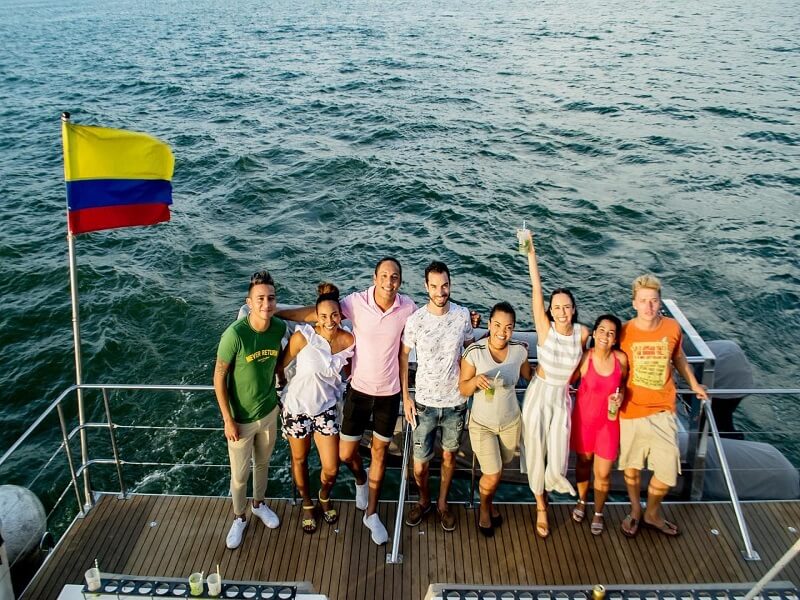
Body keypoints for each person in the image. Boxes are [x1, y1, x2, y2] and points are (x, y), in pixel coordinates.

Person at [278, 258, 416, 545]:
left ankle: (371, 514)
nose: (389, 282)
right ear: (374, 278)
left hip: (389, 393)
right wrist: (274, 312)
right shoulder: (356, 302)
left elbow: (427, 324)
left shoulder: (408, 307)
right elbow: (316, 313)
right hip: (358, 392)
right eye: (384, 276)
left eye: (394, 277)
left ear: (400, 281)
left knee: (379, 453)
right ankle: (360, 479)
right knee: (345, 455)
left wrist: (469, 322)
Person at [618, 274, 708, 538]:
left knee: (668, 472)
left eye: (654, 301)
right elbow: (617, 368)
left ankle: (653, 511)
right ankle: (636, 510)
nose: (649, 306)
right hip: (631, 409)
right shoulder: (624, 331)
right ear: (634, 303)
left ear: (660, 302)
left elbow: (678, 358)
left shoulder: (672, 328)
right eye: (643, 300)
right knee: (631, 467)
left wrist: (694, 384)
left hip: (663, 410)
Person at [519, 230, 589, 538]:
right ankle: (541, 508)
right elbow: (536, 287)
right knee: (536, 450)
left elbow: (589, 360)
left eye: (566, 306)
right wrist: (530, 249)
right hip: (539, 395)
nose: (561, 311)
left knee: (559, 452)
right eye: (556, 307)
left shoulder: (583, 333)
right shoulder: (545, 329)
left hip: (562, 397)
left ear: (573, 309)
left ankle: (553, 482)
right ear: (550, 310)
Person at [214, 270, 287, 550]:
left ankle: (258, 505)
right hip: (240, 420)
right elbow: (218, 377)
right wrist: (227, 419)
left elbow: (278, 359)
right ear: (249, 302)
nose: (266, 304)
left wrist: (280, 376)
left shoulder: (278, 327)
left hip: (268, 412)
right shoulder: (235, 334)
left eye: (271, 298)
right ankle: (239, 517)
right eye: (260, 298)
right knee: (239, 475)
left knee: (263, 465)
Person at [400, 261, 475, 532]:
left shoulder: (463, 315)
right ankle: (424, 501)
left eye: (444, 285)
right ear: (426, 287)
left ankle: (442, 504)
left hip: (456, 403)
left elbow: (470, 350)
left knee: (449, 459)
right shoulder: (416, 320)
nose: (440, 291)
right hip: (423, 405)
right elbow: (404, 356)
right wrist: (406, 397)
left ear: (450, 284)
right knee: (419, 466)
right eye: (434, 286)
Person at [277, 283, 355, 534]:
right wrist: (280, 388)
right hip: (297, 408)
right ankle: (308, 504)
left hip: (326, 409)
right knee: (299, 459)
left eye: (334, 315)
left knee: (331, 468)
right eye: (323, 316)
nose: (329, 321)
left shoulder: (349, 340)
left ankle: (324, 495)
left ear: (341, 315)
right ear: (316, 317)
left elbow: (350, 372)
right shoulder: (304, 337)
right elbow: (280, 365)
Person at [460, 302, 532, 537]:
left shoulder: (519, 351)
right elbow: (463, 389)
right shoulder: (474, 352)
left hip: (511, 423)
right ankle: (484, 509)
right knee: (492, 472)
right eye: (498, 325)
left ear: (513, 329)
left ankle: (489, 503)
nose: (502, 331)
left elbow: (530, 376)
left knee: (499, 469)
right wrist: (475, 381)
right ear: (490, 324)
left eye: (508, 327)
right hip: (482, 425)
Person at [570, 314, 628, 536]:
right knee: (583, 464)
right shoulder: (586, 357)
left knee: (602, 473)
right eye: (602, 330)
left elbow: (624, 385)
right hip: (584, 422)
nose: (605, 336)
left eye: (611, 333)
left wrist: (621, 396)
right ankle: (582, 501)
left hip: (608, 425)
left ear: (616, 339)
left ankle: (598, 512)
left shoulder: (620, 359)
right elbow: (569, 380)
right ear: (594, 333)